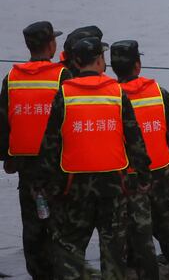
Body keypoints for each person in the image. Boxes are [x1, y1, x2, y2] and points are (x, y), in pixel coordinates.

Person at [34, 36, 153, 280]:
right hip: (114, 186)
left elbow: (50, 145)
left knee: (70, 247)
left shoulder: (63, 95)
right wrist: (143, 175)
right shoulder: (117, 93)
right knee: (113, 252)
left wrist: (45, 183)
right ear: (101, 61)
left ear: (76, 62)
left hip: (73, 188)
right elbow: (135, 139)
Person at [111, 40, 169, 277]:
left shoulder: (110, 97)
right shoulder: (159, 93)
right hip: (160, 171)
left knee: (133, 230)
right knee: (168, 223)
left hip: (127, 177)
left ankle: (139, 270)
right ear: (138, 65)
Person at [0, 21, 70, 280]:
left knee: (32, 226)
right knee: (60, 225)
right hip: (58, 167)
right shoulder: (63, 76)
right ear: (51, 45)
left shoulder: (12, 77)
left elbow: (3, 121)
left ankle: (38, 274)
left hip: (26, 167)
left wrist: (7, 157)